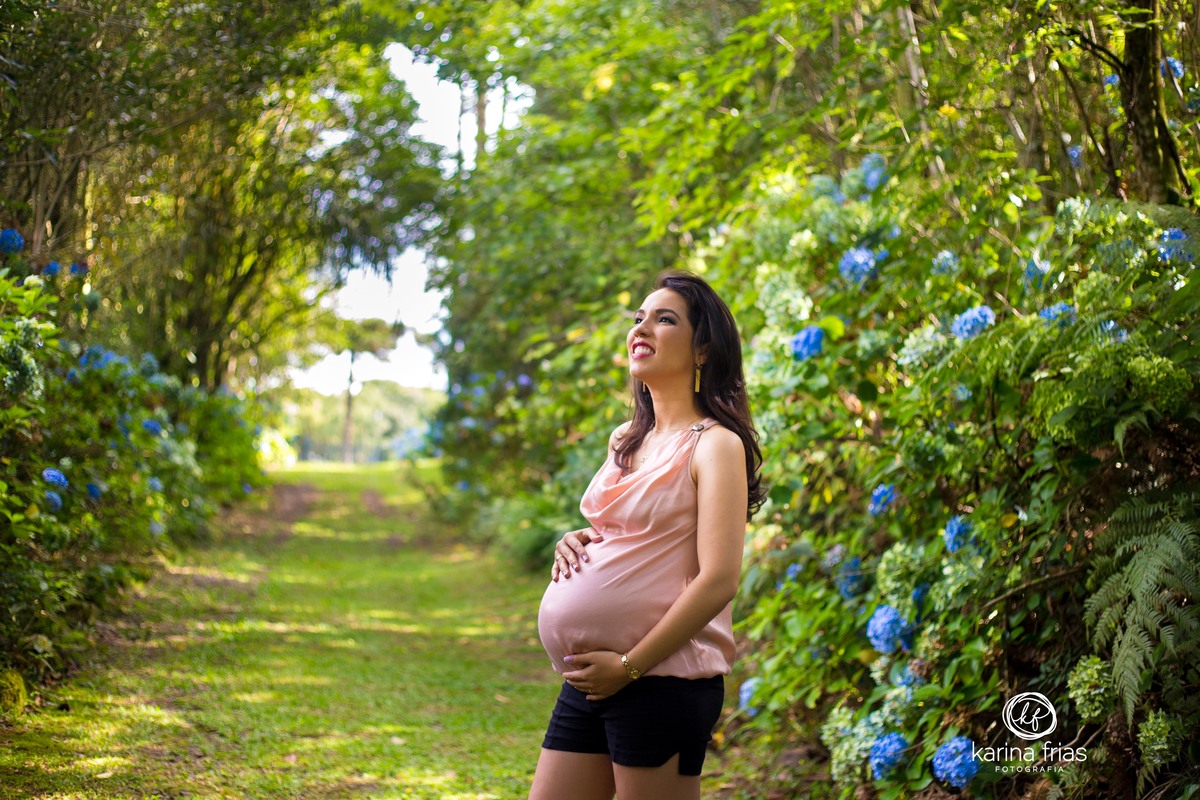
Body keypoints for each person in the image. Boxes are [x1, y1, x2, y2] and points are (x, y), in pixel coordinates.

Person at [529, 270, 766, 800]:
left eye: (665, 319)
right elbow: (632, 533)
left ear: (703, 349)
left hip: (661, 681)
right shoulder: (628, 439)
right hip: (592, 680)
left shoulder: (715, 445)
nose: (642, 328)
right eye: (639, 318)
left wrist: (629, 667)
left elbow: (719, 579)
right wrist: (578, 540)